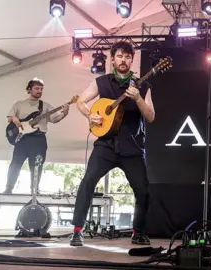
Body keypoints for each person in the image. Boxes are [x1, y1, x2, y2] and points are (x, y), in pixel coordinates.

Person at [70, 41, 155, 247]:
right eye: (119, 56)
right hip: (106, 144)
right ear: (113, 59)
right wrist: (91, 115)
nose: (123, 60)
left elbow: (151, 116)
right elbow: (81, 101)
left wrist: (139, 100)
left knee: (143, 190)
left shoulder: (142, 85)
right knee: (88, 181)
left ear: (132, 60)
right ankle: (77, 230)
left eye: (127, 56)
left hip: (133, 146)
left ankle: (138, 232)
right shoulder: (101, 82)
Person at [5, 78, 69, 194]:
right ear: (29, 89)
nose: (40, 91)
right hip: (22, 138)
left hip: (38, 139)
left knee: (37, 165)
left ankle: (34, 190)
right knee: (16, 163)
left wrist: (64, 113)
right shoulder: (19, 104)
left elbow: (55, 119)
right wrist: (14, 118)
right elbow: (9, 117)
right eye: (37, 88)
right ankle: (9, 188)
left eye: (41, 89)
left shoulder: (45, 106)